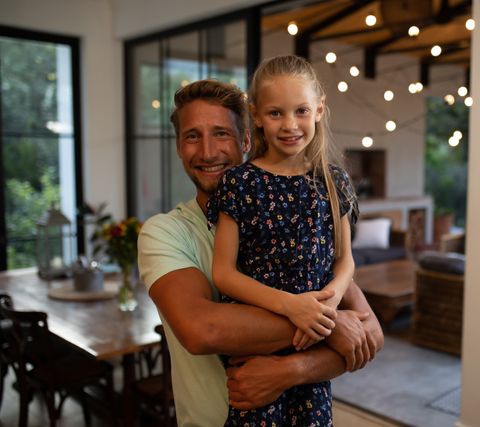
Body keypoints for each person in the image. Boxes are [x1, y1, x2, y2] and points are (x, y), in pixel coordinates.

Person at [137, 78, 384, 427]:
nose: (207, 152)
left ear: (247, 140)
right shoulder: (165, 232)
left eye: (221, 133)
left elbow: (369, 335)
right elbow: (202, 330)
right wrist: (329, 327)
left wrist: (291, 370)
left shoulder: (296, 225)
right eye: (193, 136)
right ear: (179, 147)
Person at [208, 55, 358, 426]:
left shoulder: (333, 181)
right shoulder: (239, 183)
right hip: (256, 345)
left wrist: (328, 305)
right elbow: (224, 273)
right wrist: (293, 308)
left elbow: (345, 261)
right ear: (256, 115)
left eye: (301, 111)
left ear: (320, 110)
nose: (290, 125)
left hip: (312, 350)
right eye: (276, 113)